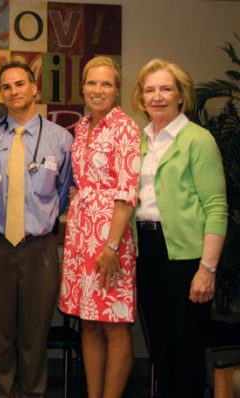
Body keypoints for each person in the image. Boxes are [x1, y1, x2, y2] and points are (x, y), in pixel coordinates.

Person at [132, 58, 227, 398]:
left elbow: (216, 208)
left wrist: (207, 268)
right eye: (150, 90)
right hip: (147, 251)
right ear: (141, 98)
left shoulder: (197, 140)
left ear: (180, 95)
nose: (157, 97)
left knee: (185, 350)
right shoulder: (140, 141)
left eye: (165, 89)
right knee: (160, 347)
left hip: (186, 257)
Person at [0, 61, 73, 397]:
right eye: (6, 86)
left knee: (35, 334)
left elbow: (63, 192)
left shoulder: (60, 139)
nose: (13, 91)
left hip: (41, 248)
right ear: (1, 93)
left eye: (20, 84)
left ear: (35, 88)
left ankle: (33, 393)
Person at [58, 56, 140, 398]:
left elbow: (126, 193)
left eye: (106, 84)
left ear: (117, 89)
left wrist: (111, 247)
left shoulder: (125, 127)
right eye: (92, 83)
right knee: (89, 323)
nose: (97, 90)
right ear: (82, 87)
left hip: (110, 238)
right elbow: (84, 180)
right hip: (80, 235)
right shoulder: (82, 126)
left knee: (114, 325)